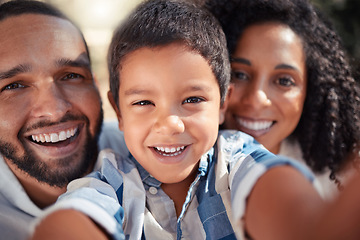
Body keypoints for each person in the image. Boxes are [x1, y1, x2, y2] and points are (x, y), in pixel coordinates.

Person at [30, 1, 324, 239]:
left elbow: (277, 190)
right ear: (118, 112)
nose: (171, 124)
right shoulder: (110, 182)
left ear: (223, 102)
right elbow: (74, 219)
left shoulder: (235, 158)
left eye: (193, 100)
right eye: (143, 102)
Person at [206, 0, 360, 199]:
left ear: (311, 91)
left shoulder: (341, 180)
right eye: (239, 74)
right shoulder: (170, 173)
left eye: (284, 81)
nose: (257, 99)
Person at [0, 1, 127, 239]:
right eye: (14, 86)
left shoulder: (152, 152)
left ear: (96, 85)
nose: (55, 110)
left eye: (71, 75)